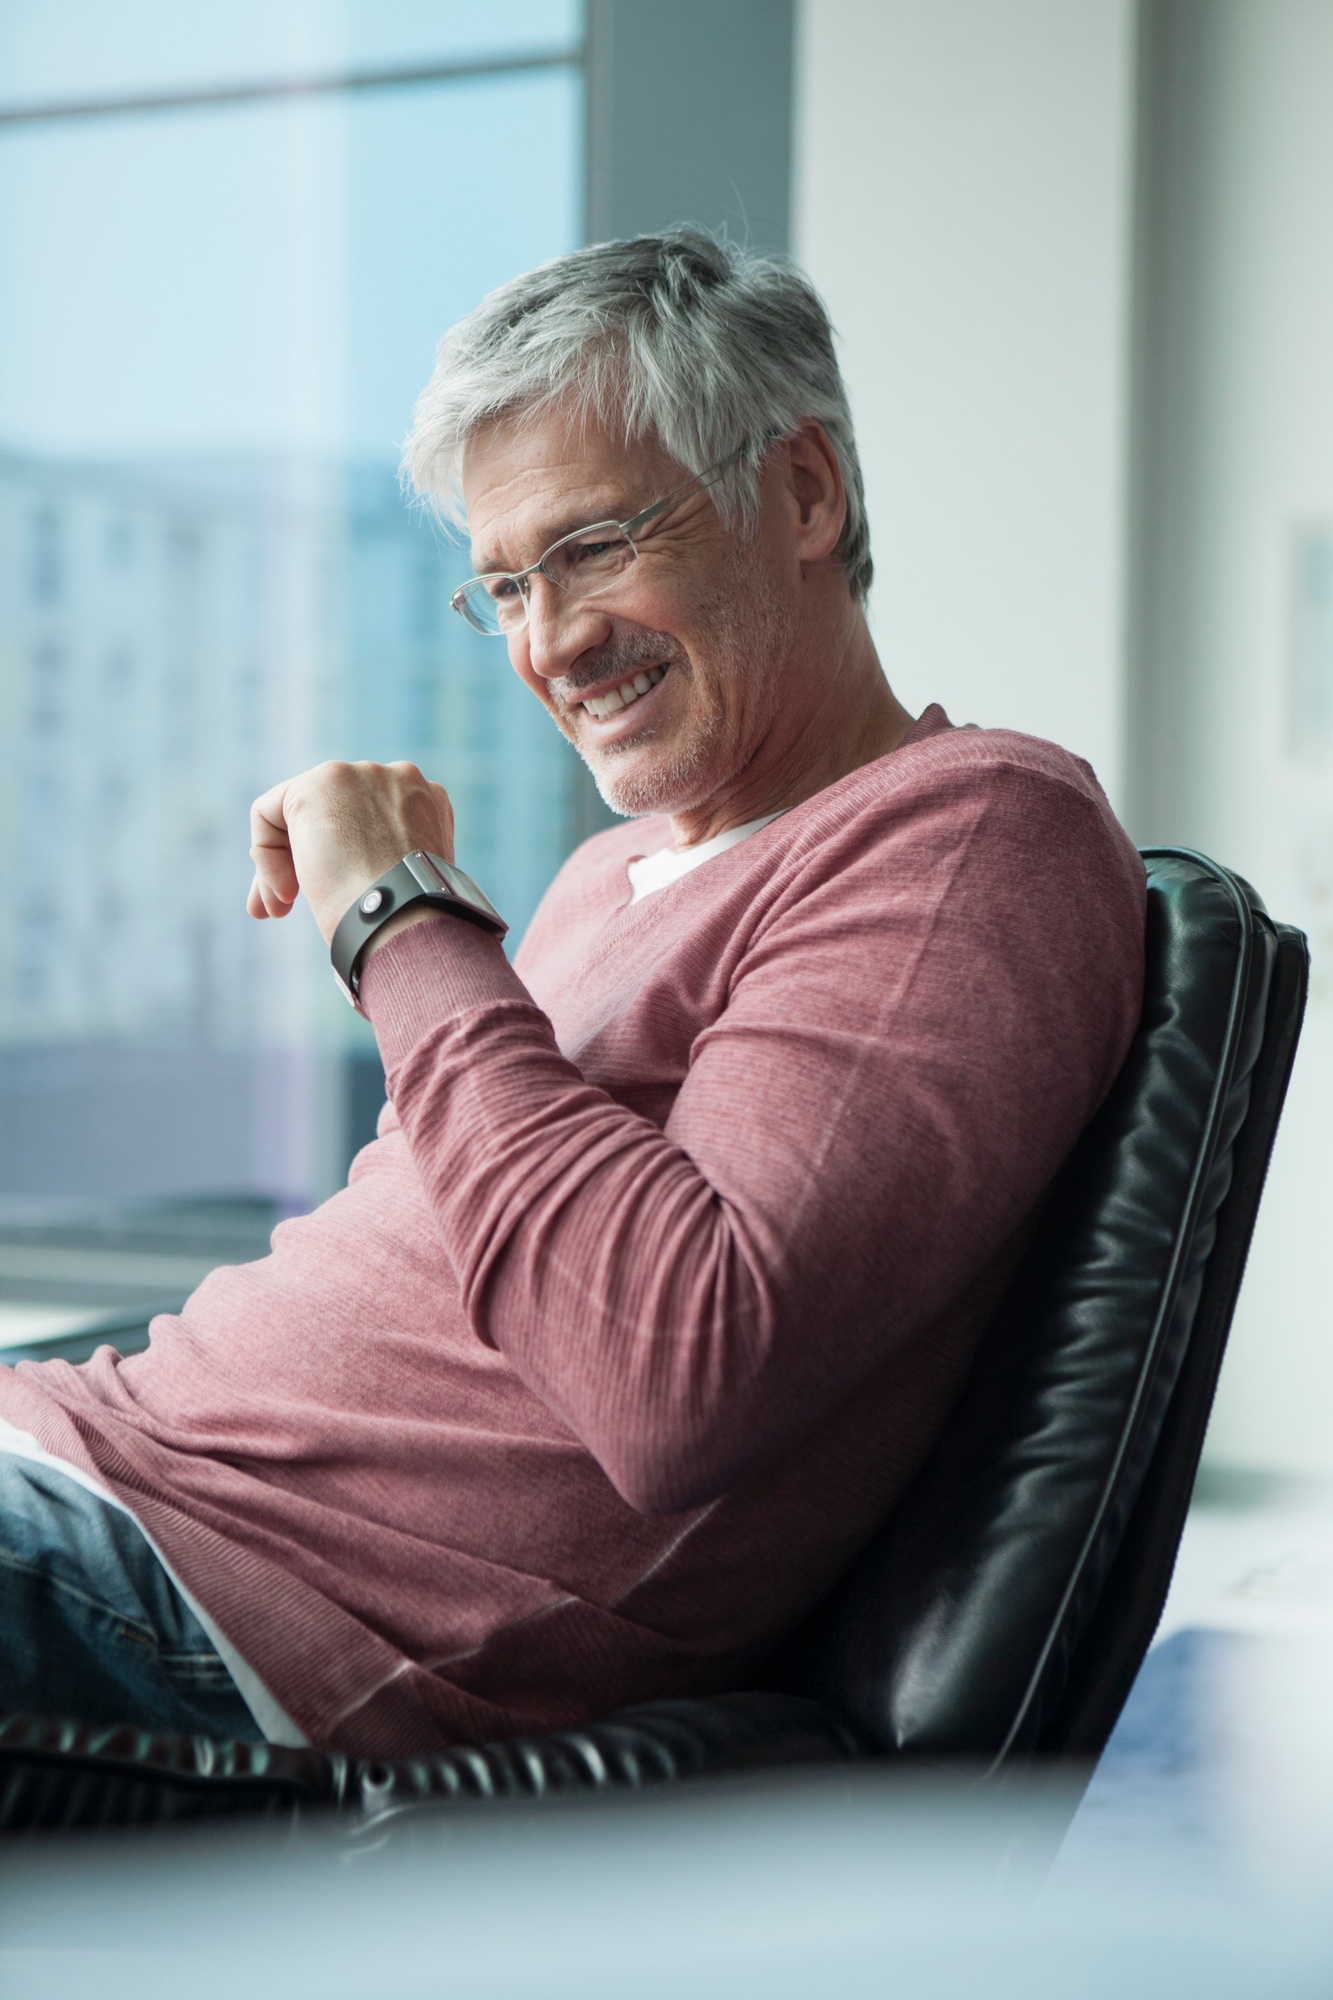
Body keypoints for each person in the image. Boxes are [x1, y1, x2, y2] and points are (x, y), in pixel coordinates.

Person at [0, 231, 1145, 1755]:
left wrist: (398, 920)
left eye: (597, 547)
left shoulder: (965, 831)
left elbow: (681, 1374)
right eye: (502, 586)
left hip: (225, 1604)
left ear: (803, 492)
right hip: (92, 1466)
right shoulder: (604, 881)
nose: (548, 643)